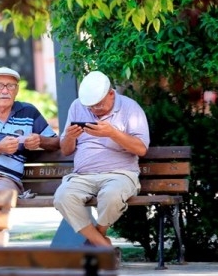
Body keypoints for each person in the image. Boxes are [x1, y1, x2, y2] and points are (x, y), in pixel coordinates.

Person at [53, 71, 150, 248]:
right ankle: (103, 246)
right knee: (62, 197)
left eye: (98, 105)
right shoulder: (77, 106)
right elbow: (66, 151)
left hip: (120, 173)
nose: (94, 110)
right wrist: (69, 137)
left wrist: (112, 133)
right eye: (90, 107)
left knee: (111, 195)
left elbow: (141, 148)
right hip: (82, 175)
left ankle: (96, 239)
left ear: (111, 94)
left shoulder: (130, 108)